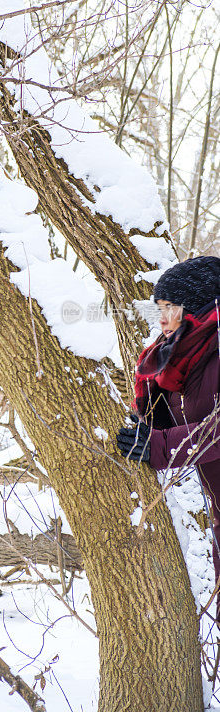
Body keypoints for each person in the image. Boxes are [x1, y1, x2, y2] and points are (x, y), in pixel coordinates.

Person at [116, 256, 220, 624]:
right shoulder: (183, 353)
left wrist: (160, 446)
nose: (161, 319)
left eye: (171, 308)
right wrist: (145, 424)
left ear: (202, 307)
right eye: (159, 308)